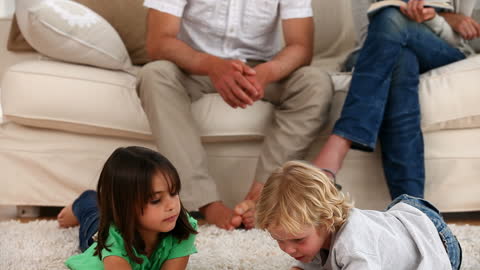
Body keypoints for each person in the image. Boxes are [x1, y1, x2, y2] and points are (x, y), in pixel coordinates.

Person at [138, 0, 333, 230]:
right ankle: (205, 204)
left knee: (315, 83)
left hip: (259, 69)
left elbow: (301, 46)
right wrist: (212, 66)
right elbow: (158, 42)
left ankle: (263, 198)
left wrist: (267, 72)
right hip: (193, 65)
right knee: (154, 75)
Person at [313, 0, 480, 199]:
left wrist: (438, 18)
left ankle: (341, 140)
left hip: (441, 51)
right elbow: (371, 38)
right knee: (401, 59)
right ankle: (411, 208)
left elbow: (472, 38)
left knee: (391, 18)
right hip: (377, 51)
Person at [256, 161, 462, 270]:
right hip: (401, 215)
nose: (289, 249)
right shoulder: (315, 234)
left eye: (298, 239)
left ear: (326, 221)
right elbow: (310, 260)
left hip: (437, 241)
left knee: (375, 240)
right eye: (278, 240)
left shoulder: (354, 247)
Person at [57, 146, 198, 270]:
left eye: (174, 193)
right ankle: (83, 202)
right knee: (92, 214)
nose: (172, 205)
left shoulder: (184, 227)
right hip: (102, 231)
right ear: (126, 207)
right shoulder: (112, 241)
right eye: (156, 200)